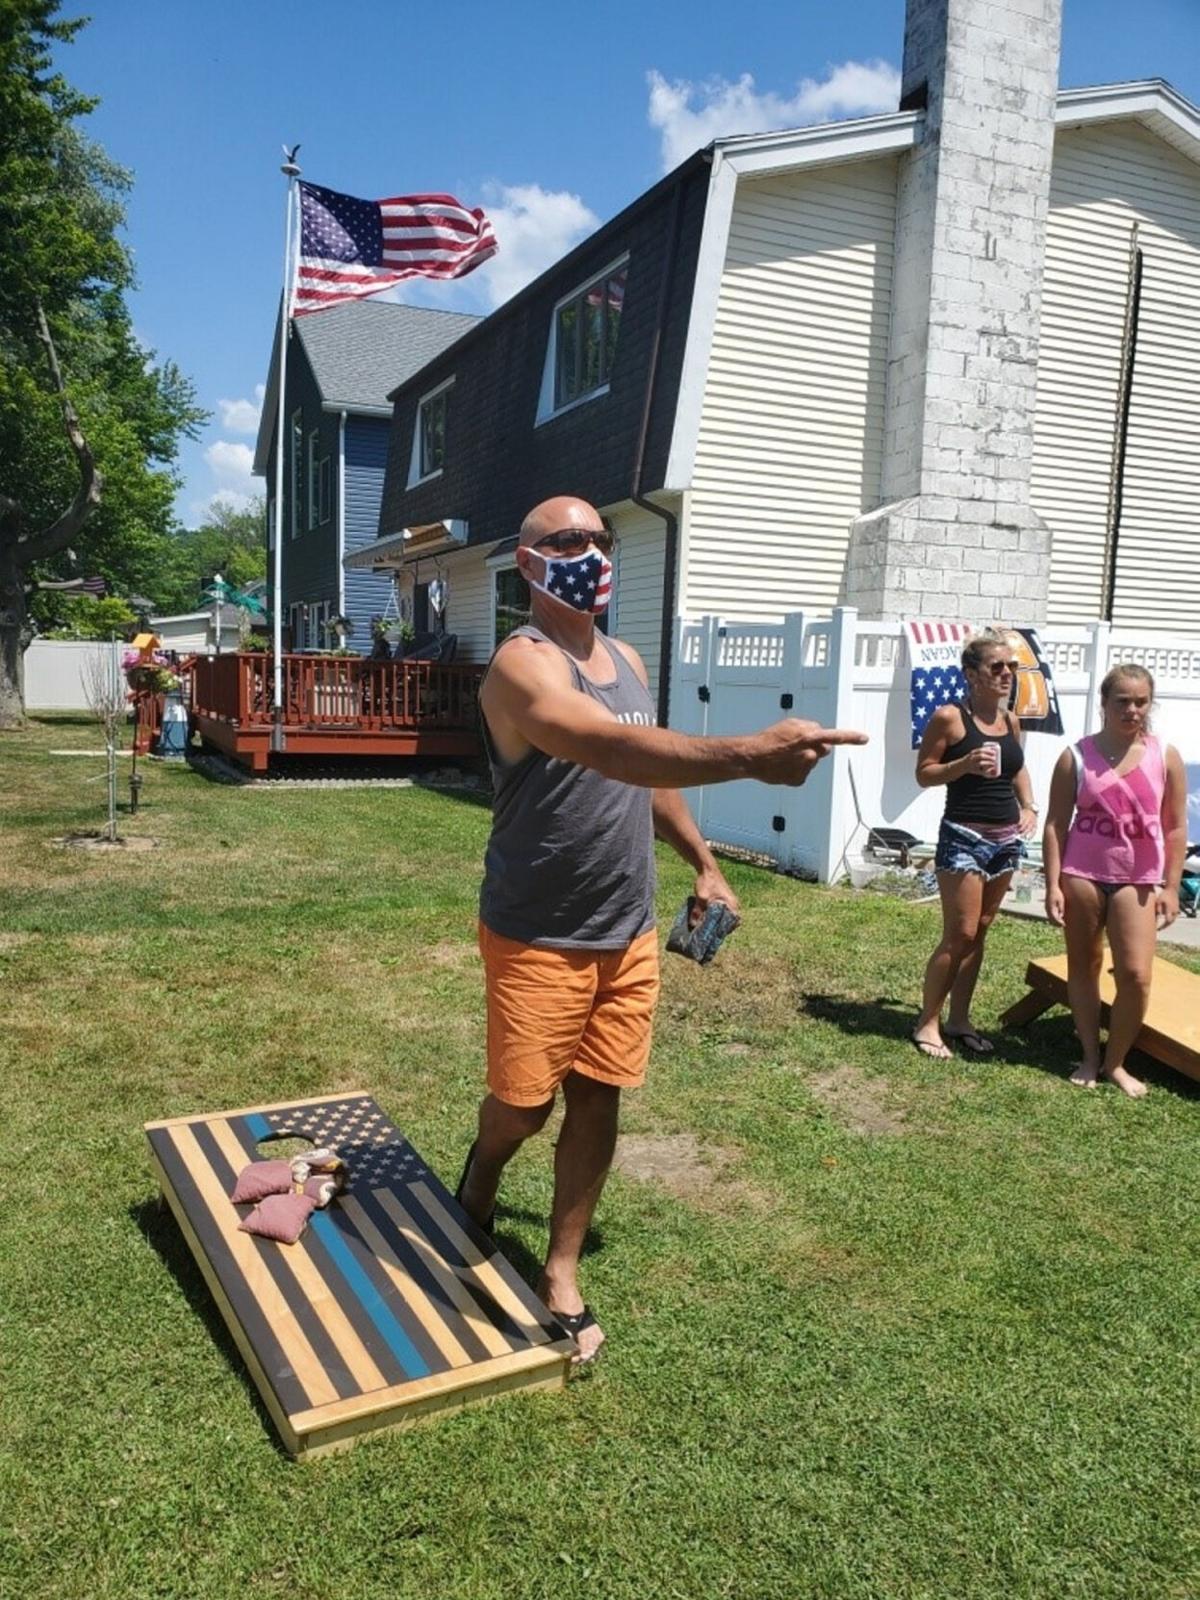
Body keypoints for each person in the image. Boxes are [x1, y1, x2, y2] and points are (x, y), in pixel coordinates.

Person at [456, 495, 868, 1363]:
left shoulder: (627, 658)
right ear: (528, 562)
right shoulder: (519, 666)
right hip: (538, 930)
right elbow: (601, 748)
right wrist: (751, 753)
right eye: (569, 541)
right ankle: (482, 1173)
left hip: (627, 929)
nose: (592, 553)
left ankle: (561, 1270)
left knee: (599, 1094)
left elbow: (645, 775)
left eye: (600, 539)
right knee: (524, 1108)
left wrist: (704, 862)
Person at [1042, 663, 1186, 1097]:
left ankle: (1116, 1061)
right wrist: (1052, 884)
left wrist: (1172, 885)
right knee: (1083, 966)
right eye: (1122, 701)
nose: (1132, 709)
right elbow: (1055, 825)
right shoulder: (1076, 756)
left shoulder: (1166, 756)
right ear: (1104, 704)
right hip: (1082, 875)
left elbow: (1176, 826)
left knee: (1137, 975)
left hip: (1138, 880)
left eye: (1141, 701)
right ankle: (1089, 1055)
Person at [912, 629, 1039, 1059]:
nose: (1006, 674)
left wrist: (1030, 806)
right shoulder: (951, 717)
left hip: (1005, 839)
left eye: (1011, 668)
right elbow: (924, 773)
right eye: (996, 668)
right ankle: (927, 1022)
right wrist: (964, 763)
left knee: (980, 932)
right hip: (964, 836)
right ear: (972, 674)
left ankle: (959, 1019)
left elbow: (1017, 766)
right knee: (960, 932)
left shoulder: (1010, 720)